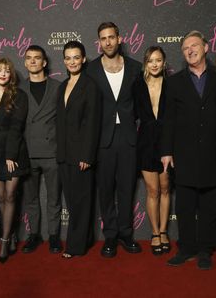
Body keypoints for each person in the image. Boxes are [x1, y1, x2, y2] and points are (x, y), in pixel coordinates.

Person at [160, 31, 216, 270]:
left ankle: (205, 250)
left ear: (206, 47)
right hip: (183, 153)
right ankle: (186, 249)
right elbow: (168, 119)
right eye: (185, 48)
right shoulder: (174, 82)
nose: (190, 50)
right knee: (184, 206)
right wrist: (166, 150)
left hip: (214, 152)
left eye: (194, 45)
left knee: (209, 205)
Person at [87, 22, 142, 257]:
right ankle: (110, 235)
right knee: (106, 189)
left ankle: (126, 234)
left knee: (127, 188)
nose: (108, 42)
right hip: (102, 137)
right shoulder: (90, 70)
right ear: (99, 42)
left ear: (120, 39)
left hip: (129, 136)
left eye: (111, 37)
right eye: (103, 38)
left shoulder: (136, 67)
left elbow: (144, 103)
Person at [0, 57, 30, 263]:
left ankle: (4, 240)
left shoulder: (19, 95)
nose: (3, 73)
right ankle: (9, 234)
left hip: (14, 152)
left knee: (10, 196)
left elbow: (16, 127)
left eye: (7, 71)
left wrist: (11, 155)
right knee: (0, 198)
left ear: (11, 75)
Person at [57, 41, 101, 258]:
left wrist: (87, 155)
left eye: (76, 57)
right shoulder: (62, 85)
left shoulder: (90, 85)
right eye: (68, 57)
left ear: (83, 59)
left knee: (81, 201)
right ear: (64, 60)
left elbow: (92, 123)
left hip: (81, 155)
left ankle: (75, 246)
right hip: (64, 154)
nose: (72, 61)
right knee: (72, 201)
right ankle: (84, 239)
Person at [20, 45, 62, 254]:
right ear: (25, 62)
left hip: (52, 151)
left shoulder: (58, 87)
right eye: (29, 58)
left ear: (45, 62)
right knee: (31, 199)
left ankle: (54, 236)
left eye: (37, 58)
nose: (33, 61)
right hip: (27, 152)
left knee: (54, 197)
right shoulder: (18, 89)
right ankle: (34, 235)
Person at [133, 46, 170, 255]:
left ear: (164, 63)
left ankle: (164, 231)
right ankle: (155, 233)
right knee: (153, 190)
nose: (154, 64)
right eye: (150, 61)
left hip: (166, 142)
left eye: (158, 60)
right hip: (146, 141)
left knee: (165, 188)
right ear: (145, 63)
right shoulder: (138, 85)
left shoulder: (171, 84)